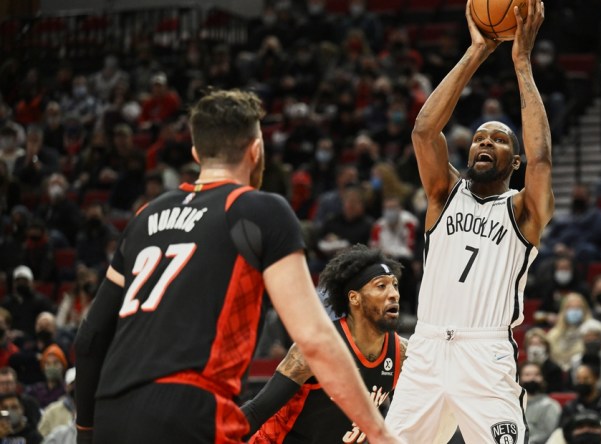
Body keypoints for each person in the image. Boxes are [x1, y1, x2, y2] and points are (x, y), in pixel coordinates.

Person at [73, 90, 402, 444]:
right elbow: (315, 339)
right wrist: (380, 434)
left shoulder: (146, 216)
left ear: (197, 153)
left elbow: (90, 336)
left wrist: (86, 431)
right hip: (189, 408)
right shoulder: (260, 211)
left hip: (112, 412)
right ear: (256, 149)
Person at [384, 1, 554, 442]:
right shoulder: (444, 193)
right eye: (479, 137)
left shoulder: (523, 210)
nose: (485, 142)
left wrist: (520, 63)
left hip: (485, 354)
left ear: (512, 161)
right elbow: (423, 131)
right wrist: (477, 51)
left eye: (498, 140)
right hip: (426, 348)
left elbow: (541, 158)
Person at [244, 245, 406, 443]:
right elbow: (256, 410)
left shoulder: (401, 353)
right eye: (381, 286)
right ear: (354, 298)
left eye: (395, 285)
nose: (394, 294)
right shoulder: (318, 347)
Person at [520, 362, 562, 444]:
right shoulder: (513, 404)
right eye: (527, 375)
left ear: (542, 379)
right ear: (520, 378)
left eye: (536, 375)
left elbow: (550, 433)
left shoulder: (551, 405)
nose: (532, 378)